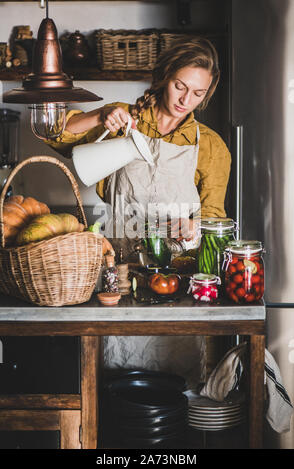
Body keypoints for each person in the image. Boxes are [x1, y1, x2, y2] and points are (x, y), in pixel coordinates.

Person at [47, 38, 231, 387]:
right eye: (180, 86)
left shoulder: (210, 145)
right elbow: (54, 134)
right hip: (120, 278)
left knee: (178, 380)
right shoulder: (123, 120)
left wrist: (194, 226)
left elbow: (215, 217)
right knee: (116, 378)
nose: (184, 100)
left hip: (178, 285)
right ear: (164, 77)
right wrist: (100, 115)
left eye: (197, 93)